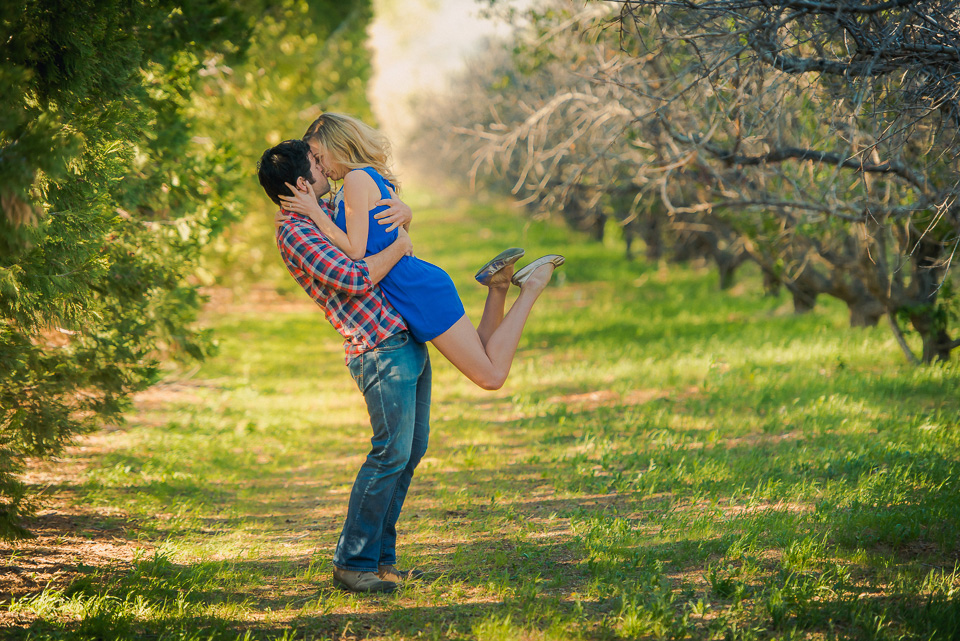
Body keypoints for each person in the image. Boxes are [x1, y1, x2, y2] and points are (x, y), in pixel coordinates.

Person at [279, 112, 564, 391]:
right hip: (415, 283)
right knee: (482, 349)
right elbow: (388, 237)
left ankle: (532, 286)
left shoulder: (354, 181)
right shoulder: (364, 180)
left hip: (414, 290)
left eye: (318, 156)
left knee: (491, 377)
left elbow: (355, 251)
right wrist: (296, 213)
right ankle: (498, 286)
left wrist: (314, 212)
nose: (318, 166)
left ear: (337, 145)